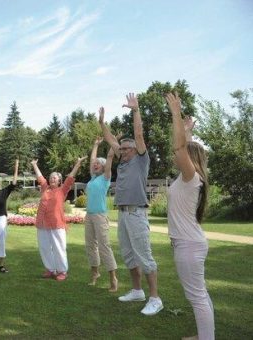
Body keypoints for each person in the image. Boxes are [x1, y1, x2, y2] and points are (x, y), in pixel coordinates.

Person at [99, 94, 163, 316]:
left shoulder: (140, 160)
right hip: (123, 214)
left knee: (144, 256)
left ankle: (155, 298)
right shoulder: (123, 162)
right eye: (122, 148)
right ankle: (137, 291)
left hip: (137, 214)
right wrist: (101, 123)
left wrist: (136, 110)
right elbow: (109, 139)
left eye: (126, 148)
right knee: (128, 255)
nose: (122, 150)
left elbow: (138, 134)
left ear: (135, 150)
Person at [166, 92, 214, 339]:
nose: (176, 156)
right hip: (189, 244)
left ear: (190, 159)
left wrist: (175, 114)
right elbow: (184, 146)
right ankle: (205, 334)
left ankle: (206, 338)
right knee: (199, 294)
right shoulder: (189, 179)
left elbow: (179, 147)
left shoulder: (190, 178)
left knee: (196, 296)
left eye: (183, 154)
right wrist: (187, 129)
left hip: (188, 246)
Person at [31, 157, 86, 281]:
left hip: (57, 224)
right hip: (42, 224)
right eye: (50, 177)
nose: (52, 179)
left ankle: (62, 271)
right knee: (44, 247)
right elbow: (40, 178)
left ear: (60, 180)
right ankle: (50, 269)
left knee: (59, 248)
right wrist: (34, 164)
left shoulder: (62, 190)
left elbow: (70, 178)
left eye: (54, 178)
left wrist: (77, 164)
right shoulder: (45, 188)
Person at [85, 136, 118, 292]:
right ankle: (95, 274)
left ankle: (113, 279)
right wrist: (96, 145)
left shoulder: (105, 178)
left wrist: (112, 142)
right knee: (90, 245)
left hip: (100, 216)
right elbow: (92, 159)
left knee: (104, 246)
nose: (95, 164)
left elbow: (111, 156)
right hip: (89, 216)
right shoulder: (93, 178)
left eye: (98, 163)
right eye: (95, 164)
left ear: (104, 167)